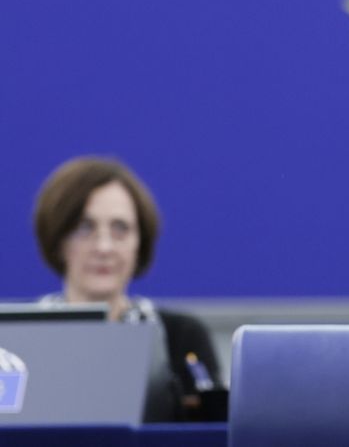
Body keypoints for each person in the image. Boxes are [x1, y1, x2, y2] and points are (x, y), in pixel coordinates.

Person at [33, 156, 223, 420]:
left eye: (120, 228)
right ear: (57, 239)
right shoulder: (19, 339)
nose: (104, 247)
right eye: (85, 228)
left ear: (139, 244)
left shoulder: (181, 338)